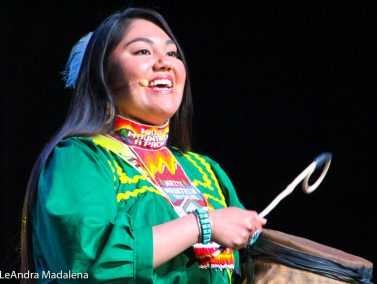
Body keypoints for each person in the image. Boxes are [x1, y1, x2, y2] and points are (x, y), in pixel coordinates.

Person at [21, 7, 266, 283]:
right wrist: (201, 224)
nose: (165, 63)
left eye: (172, 53)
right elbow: (85, 267)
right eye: (142, 52)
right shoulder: (81, 159)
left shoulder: (206, 172)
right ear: (103, 73)